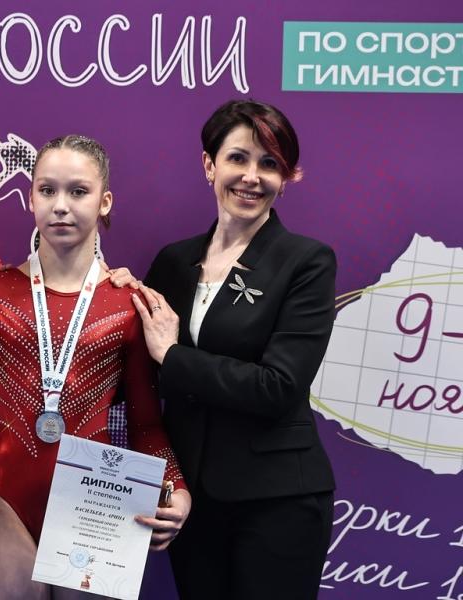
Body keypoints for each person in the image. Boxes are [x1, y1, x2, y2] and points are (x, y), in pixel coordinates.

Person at [0, 135, 192, 599]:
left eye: (78, 191)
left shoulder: (129, 304)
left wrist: (176, 487)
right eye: (47, 190)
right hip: (8, 505)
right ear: (30, 198)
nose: (61, 205)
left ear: (105, 202)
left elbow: (146, 425)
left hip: (96, 506)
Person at [132, 100, 336, 600]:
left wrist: (174, 357)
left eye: (269, 164)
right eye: (238, 158)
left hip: (278, 499)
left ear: (284, 178)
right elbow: (140, 368)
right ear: (210, 165)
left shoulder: (306, 261)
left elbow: (278, 387)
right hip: (191, 501)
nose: (251, 177)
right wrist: (109, 292)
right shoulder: (174, 262)